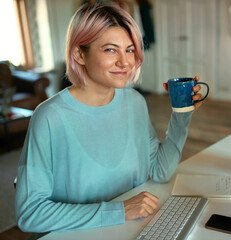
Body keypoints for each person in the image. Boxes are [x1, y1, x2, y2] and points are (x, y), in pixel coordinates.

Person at [15, 2, 204, 233]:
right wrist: (119, 210)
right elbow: (30, 214)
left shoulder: (135, 102)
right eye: (110, 50)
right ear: (79, 54)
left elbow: (160, 171)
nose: (125, 62)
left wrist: (181, 114)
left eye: (130, 49)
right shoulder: (49, 118)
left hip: (133, 229)